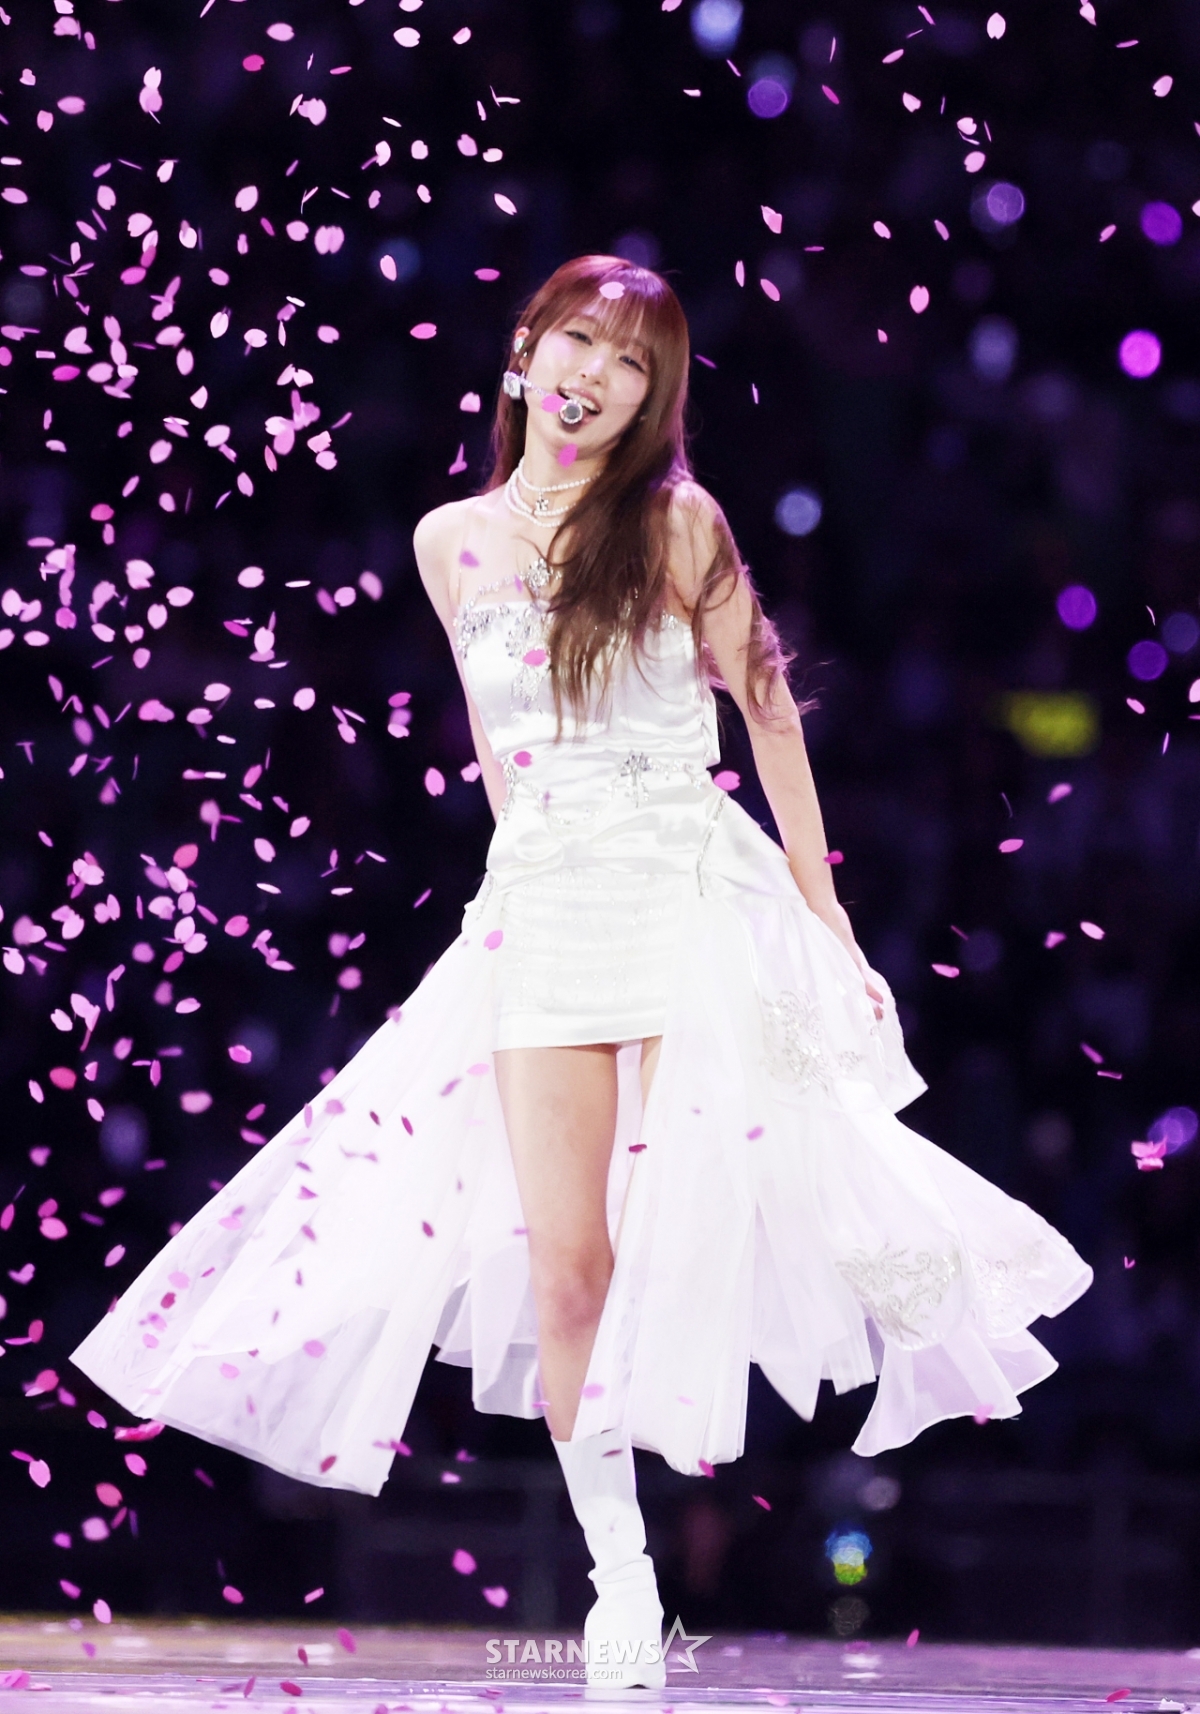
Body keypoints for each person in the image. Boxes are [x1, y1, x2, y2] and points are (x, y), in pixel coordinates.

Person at [71, 256, 1092, 1690]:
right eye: (578, 341)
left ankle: (764, 1452)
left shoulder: (678, 522)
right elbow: (498, 748)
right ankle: (624, 1577)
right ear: (526, 350)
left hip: (684, 888)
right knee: (567, 1269)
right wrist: (515, 883)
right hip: (545, 908)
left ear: (651, 399)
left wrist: (827, 920)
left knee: (722, 1192)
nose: (594, 374)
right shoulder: (450, 541)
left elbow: (769, 710)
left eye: (630, 361)